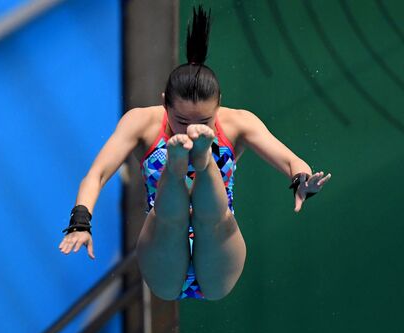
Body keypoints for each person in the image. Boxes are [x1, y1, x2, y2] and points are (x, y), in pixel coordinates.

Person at [59, 6, 331, 301]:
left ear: (219, 105)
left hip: (218, 243)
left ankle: (201, 160)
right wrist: (80, 223)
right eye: (182, 122)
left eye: (204, 122)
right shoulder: (141, 122)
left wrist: (301, 179)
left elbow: (292, 161)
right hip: (163, 241)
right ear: (165, 104)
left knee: (214, 217)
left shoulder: (239, 121)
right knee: (168, 217)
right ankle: (182, 164)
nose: (191, 129)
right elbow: (96, 175)